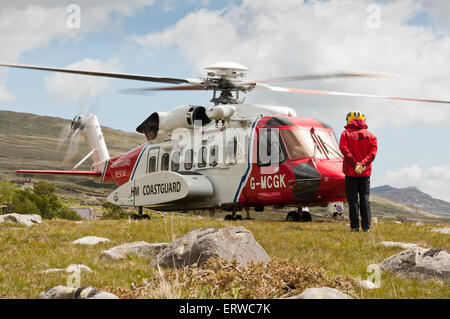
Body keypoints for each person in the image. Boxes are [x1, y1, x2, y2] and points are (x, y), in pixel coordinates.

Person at [339, 111, 377, 232]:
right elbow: (372, 153)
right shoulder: (371, 136)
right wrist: (363, 164)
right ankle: (366, 228)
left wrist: (355, 164)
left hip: (350, 173)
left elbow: (344, 150)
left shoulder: (345, 134)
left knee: (353, 201)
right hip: (365, 174)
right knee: (365, 200)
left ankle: (354, 227)